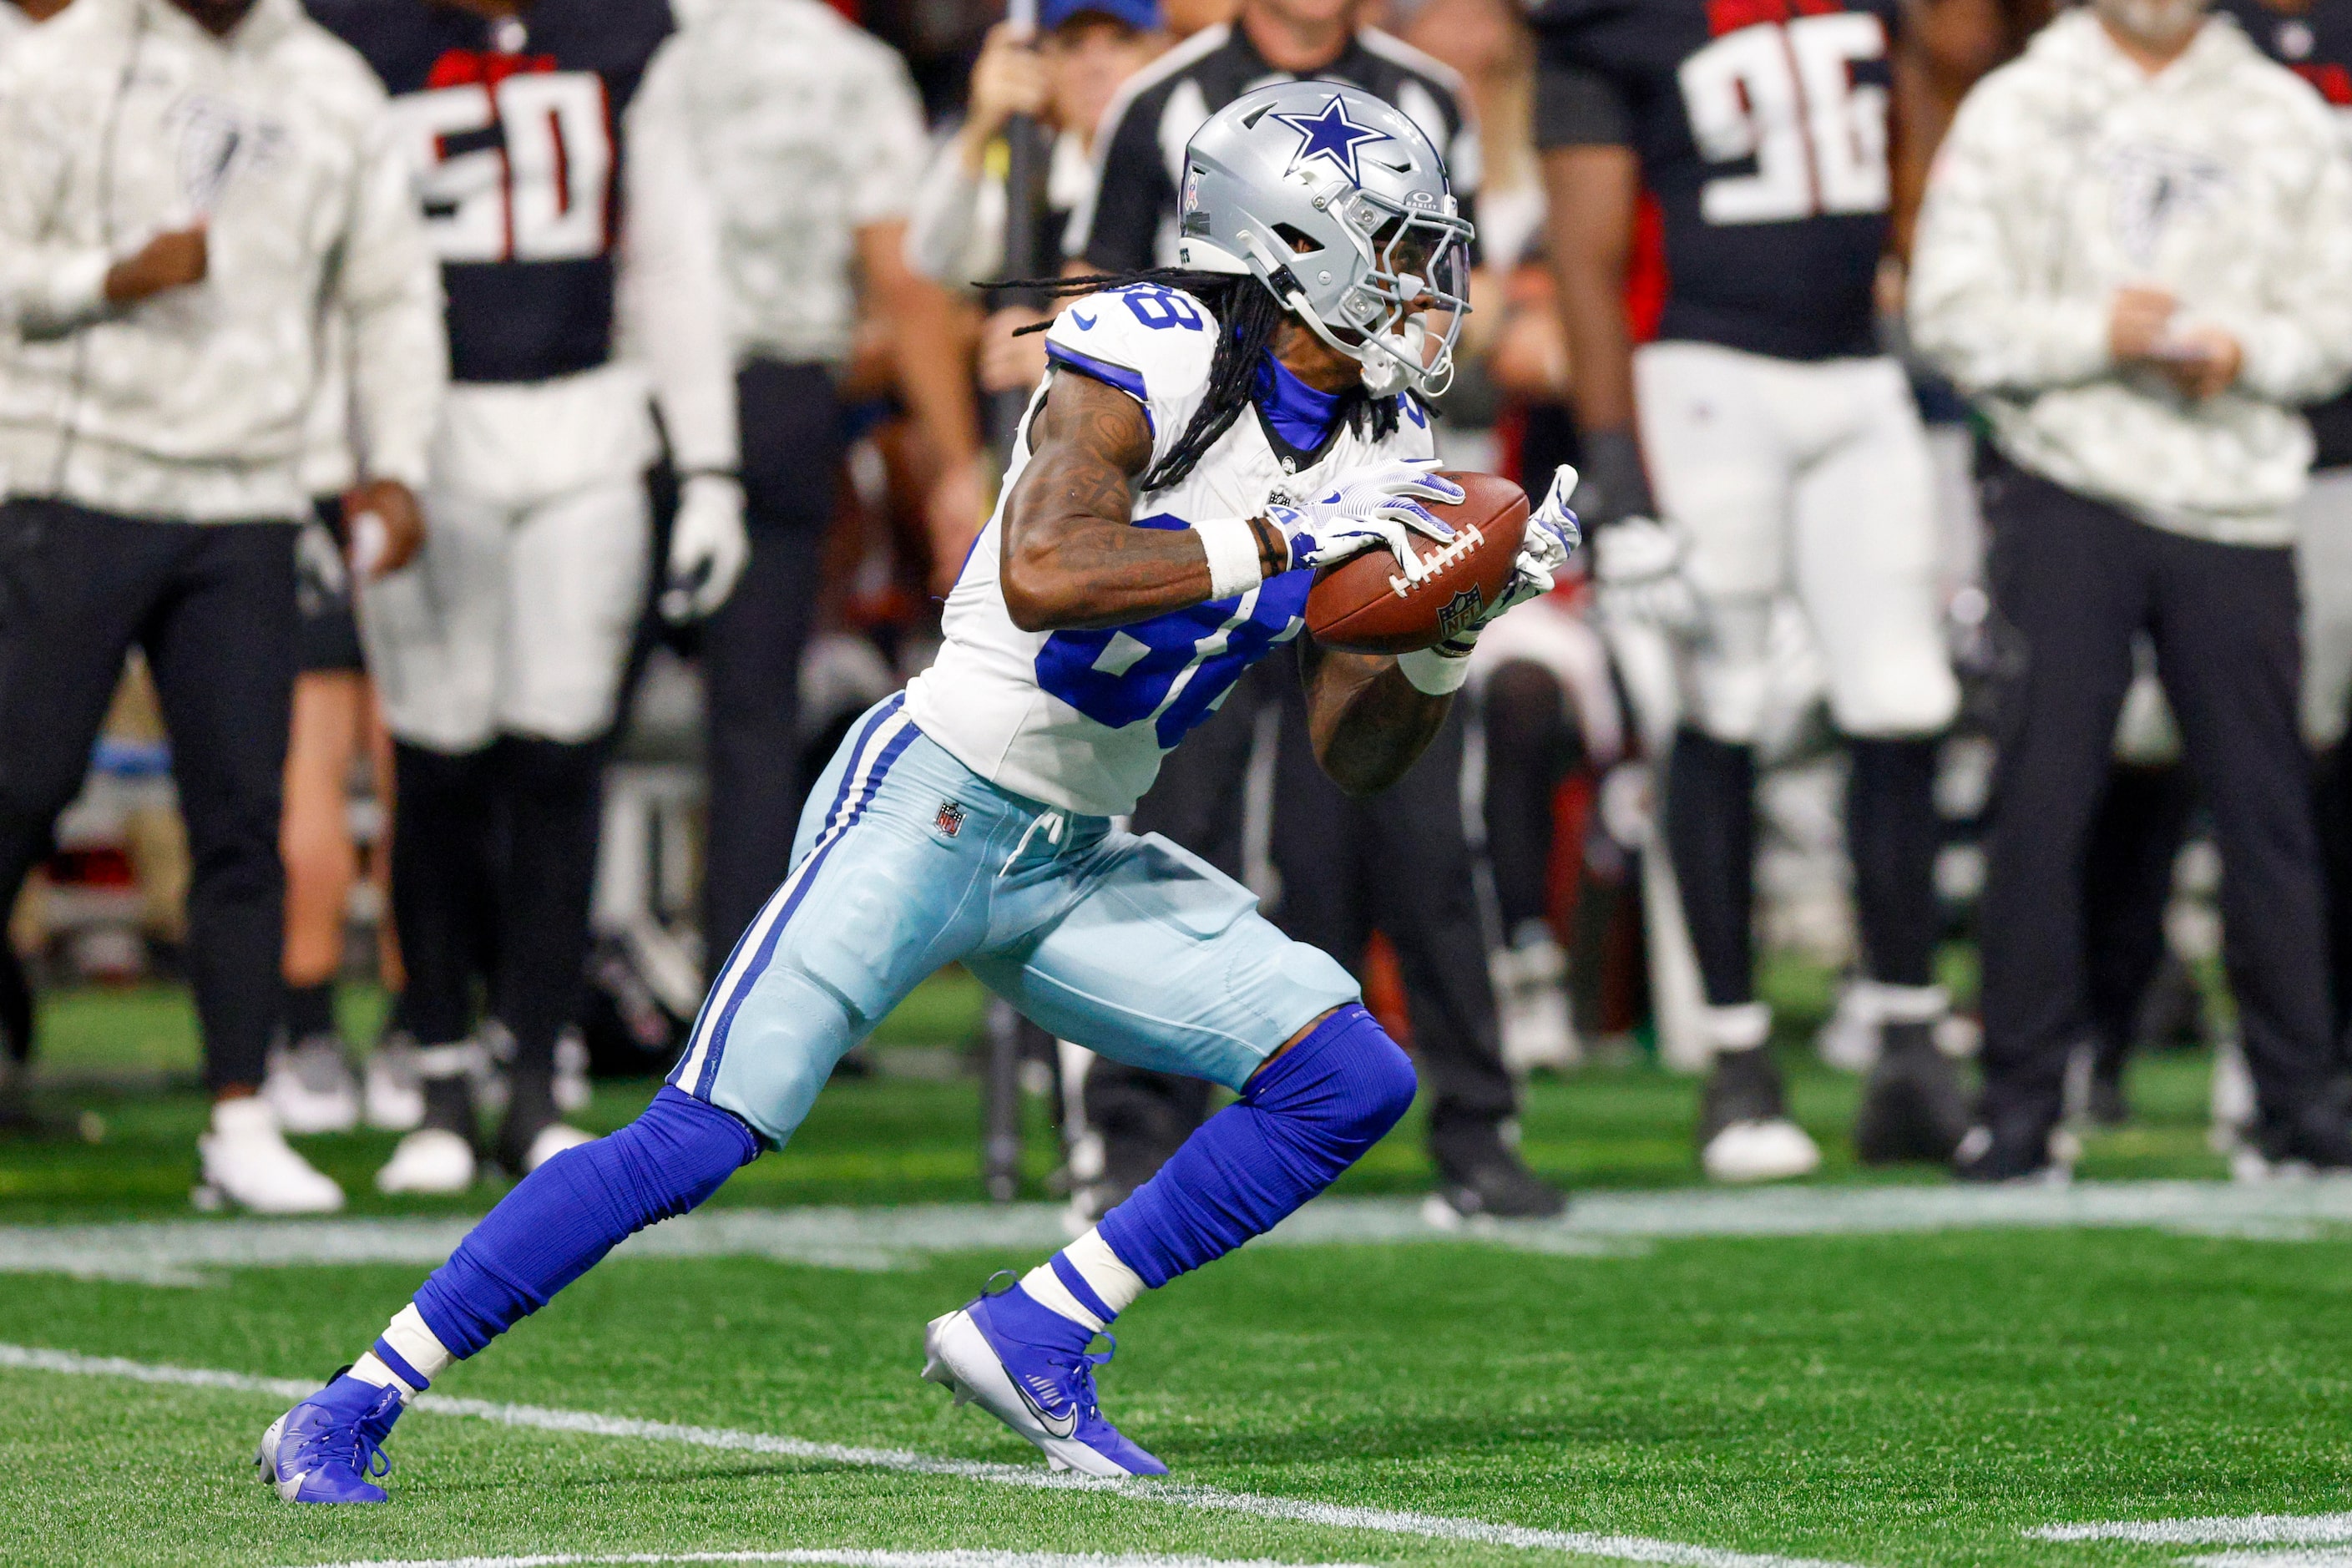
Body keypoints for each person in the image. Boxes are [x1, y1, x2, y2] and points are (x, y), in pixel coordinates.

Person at [255, 78, 1575, 1500]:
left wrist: (1447, 631)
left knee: (1345, 1074)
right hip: (935, 795)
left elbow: (1350, 751)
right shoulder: (1156, 346)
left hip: (1079, 847)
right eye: (1392, 246)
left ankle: (1040, 1322)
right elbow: (1047, 571)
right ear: (1294, 245)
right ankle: (349, 1401)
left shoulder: (1383, 450)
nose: (1424, 285)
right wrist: (1274, 533)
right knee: (700, 1130)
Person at [1062, 0, 1561, 1223]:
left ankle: (1475, 1119)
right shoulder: (1165, 99)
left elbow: (1452, 290)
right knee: (1174, 825)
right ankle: (1135, 1130)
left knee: (1421, 828)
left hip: (1364, 479)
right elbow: (1101, 302)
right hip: (1212, 517)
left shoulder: (1421, 90)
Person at [1535, 0, 2002, 1181]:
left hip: (1857, 371)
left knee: (1902, 696)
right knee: (1722, 703)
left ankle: (1906, 1037)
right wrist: (1615, 460)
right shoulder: (1615, 25)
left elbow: (1922, 125)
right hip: (1704, 379)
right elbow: (1585, 259)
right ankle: (1736, 1059)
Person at [0, 0, 443, 1208]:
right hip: (73, 473)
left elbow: (393, 293)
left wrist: (397, 458)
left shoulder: (332, 84)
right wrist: (108, 276)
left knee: (241, 812)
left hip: (251, 491)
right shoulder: (66, 61)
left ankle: (239, 1115)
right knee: (20, 785)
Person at [1909, 0, 2352, 1179]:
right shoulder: (2019, 107)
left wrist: (2246, 351)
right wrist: (2090, 331)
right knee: (2041, 805)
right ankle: (2018, 1106)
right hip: (2068, 488)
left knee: (2268, 814)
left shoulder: (2284, 115)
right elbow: (1946, 311)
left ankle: (2296, 1102)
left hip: (2239, 496)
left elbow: (2338, 313)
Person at [309, 0, 745, 1194]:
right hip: (422, 429)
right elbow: (320, 255)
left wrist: (707, 463)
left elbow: (671, 253)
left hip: (587, 416)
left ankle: (537, 1073)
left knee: (560, 757)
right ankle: (441, 1069)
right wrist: (323, 456)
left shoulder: (621, 33)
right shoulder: (355, 36)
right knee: (438, 761)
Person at [630, 0, 983, 989]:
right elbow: (904, 279)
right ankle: (736, 1000)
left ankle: (505, 1020)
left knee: (554, 722)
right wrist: (956, 462)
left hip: (616, 388)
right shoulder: (852, 69)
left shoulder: (649, 45)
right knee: (751, 723)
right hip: (775, 393)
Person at [906, 0, 1165, 402]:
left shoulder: (1182, 173)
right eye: (1074, 45)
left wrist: (1069, 345)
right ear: (1046, 63)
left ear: (1160, 53)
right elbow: (936, 257)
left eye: (1120, 41)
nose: (1095, 67)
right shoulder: (1032, 174)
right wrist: (982, 124)